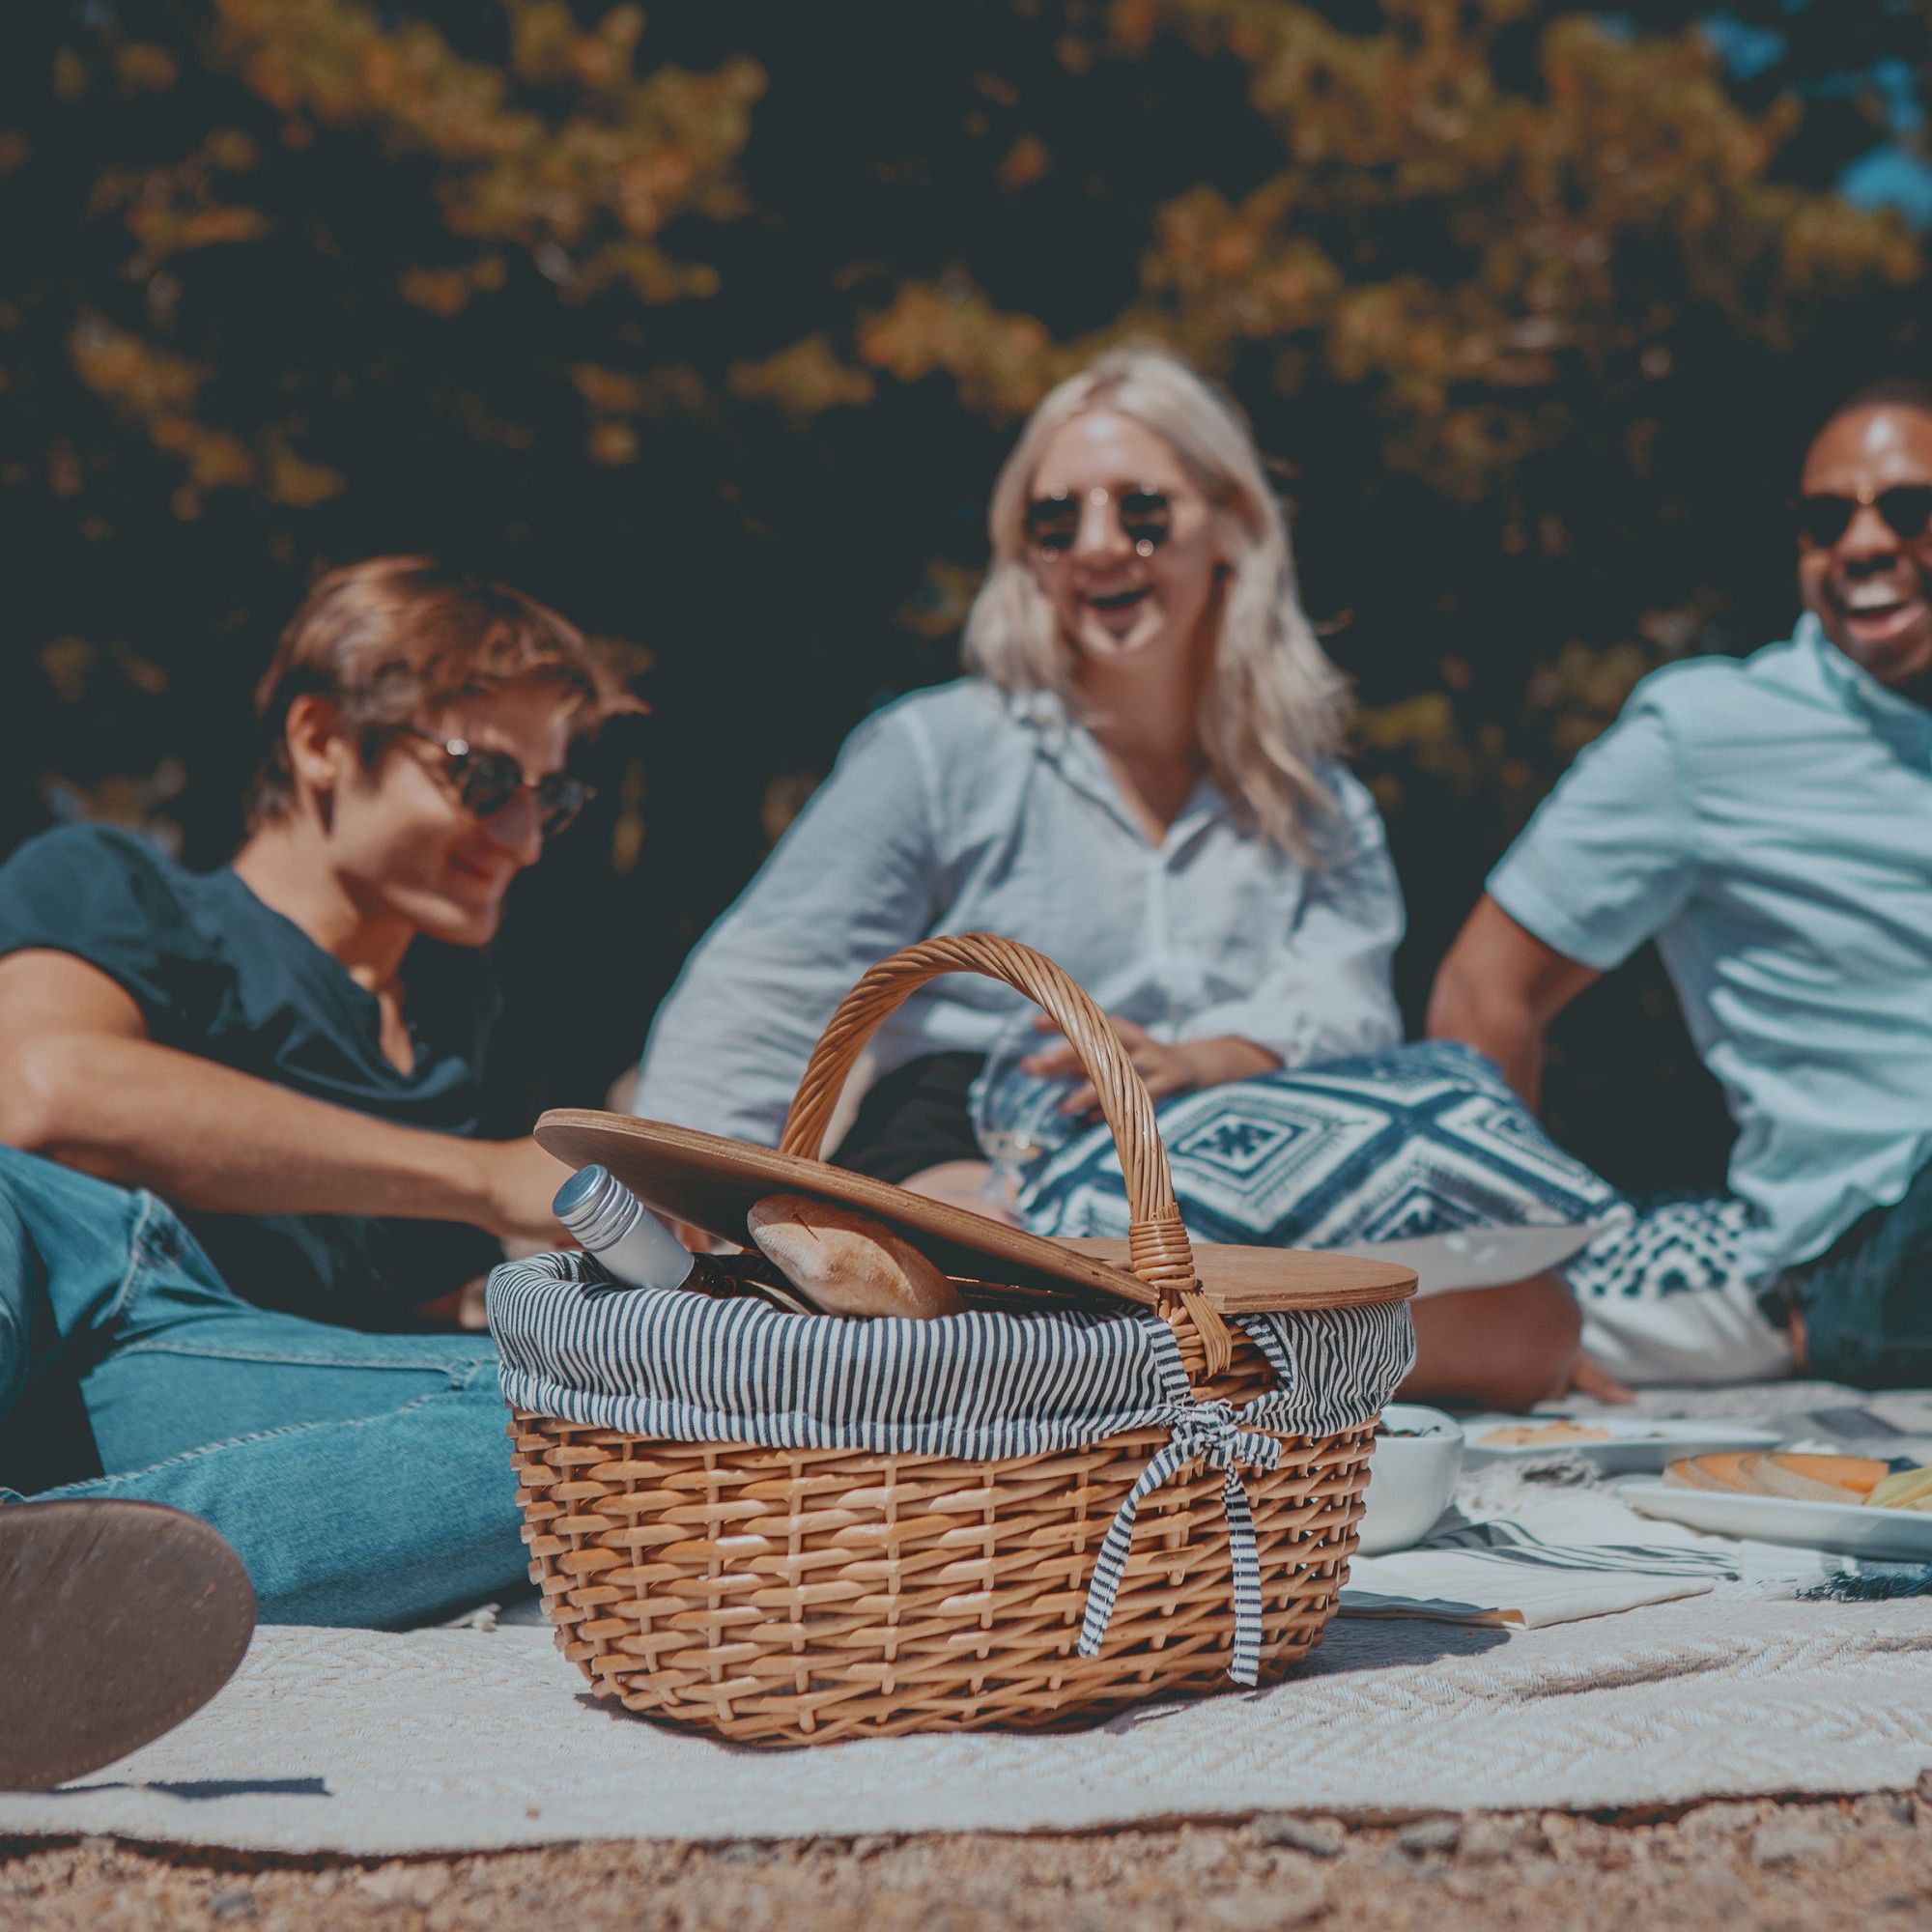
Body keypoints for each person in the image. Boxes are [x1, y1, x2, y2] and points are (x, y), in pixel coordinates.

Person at [635, 347, 1592, 1406]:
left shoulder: (1316, 800)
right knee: (999, 1266)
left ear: (1230, 526)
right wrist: (672, 1202)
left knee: (1534, 1326)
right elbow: (772, 976)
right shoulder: (938, 749)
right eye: (1056, 521)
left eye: (1141, 511)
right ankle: (1194, 1373)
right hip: (974, 1129)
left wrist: (1207, 1056)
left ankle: (1119, 1378)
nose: (1096, 546)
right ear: (1027, 555)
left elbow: (1352, 1006)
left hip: (1228, 1150)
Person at [0, 556, 636, 1627]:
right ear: (322, 740)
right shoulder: (120, 886)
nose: (522, 839)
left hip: (197, 1380)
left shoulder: (454, 1020)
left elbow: (379, 1330)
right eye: (484, 779)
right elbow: (44, 1092)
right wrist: (489, 1178)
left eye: (550, 796)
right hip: (60, 1303)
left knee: (602, 1419)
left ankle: (59, 1601)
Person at [1429, 379, 1932, 1388]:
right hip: (1868, 1242)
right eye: (1823, 520)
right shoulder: (1707, 734)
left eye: (1908, 508)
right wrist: (1499, 1291)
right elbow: (1484, 989)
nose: (1863, 543)